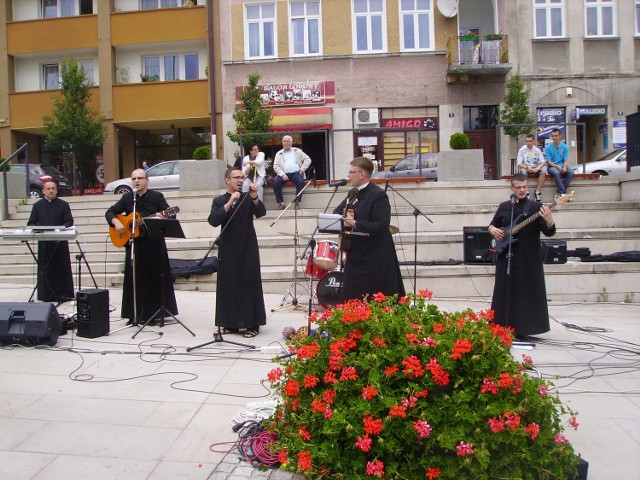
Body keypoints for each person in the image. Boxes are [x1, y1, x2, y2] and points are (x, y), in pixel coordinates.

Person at [105, 168, 178, 326]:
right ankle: (134, 314)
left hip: (153, 244)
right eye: (133, 179)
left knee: (153, 278)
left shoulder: (157, 197)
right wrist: (117, 222)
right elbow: (110, 212)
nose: (136, 181)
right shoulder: (128, 198)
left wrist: (164, 215)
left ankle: (152, 314)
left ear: (147, 180)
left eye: (140, 178)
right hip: (134, 245)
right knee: (133, 278)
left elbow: (172, 214)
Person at [488, 173, 556, 340]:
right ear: (511, 188)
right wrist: (492, 230)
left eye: (525, 187)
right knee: (505, 290)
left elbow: (548, 231)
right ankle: (501, 326)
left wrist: (549, 220)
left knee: (527, 292)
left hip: (528, 258)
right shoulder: (505, 206)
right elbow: (492, 224)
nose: (522, 190)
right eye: (518, 187)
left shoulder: (534, 207)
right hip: (507, 256)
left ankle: (526, 327)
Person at [333, 157, 405, 302]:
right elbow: (336, 212)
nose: (348, 175)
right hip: (357, 252)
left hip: (375, 255)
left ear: (362, 174)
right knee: (353, 293)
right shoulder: (353, 193)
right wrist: (343, 217)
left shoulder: (378, 195)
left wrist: (355, 223)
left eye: (351, 172)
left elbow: (382, 225)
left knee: (374, 295)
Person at [208, 167, 267, 338]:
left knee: (249, 283)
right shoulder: (219, 200)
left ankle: (252, 324)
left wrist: (255, 197)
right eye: (236, 178)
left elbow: (261, 212)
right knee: (230, 284)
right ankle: (231, 324)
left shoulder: (248, 198)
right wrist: (229, 203)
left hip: (247, 246)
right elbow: (213, 220)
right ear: (227, 180)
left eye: (242, 178)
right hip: (228, 247)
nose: (240, 180)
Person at [27, 181, 74, 302]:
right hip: (44, 243)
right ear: (43, 191)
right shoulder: (37, 206)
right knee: (46, 268)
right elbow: (31, 223)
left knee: (61, 268)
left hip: (59, 242)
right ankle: (46, 295)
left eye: (53, 188)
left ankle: (63, 293)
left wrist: (61, 228)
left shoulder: (63, 205)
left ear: (56, 191)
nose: (51, 191)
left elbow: (69, 221)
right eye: (48, 189)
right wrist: (37, 230)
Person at [272, 135, 312, 210]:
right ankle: (281, 204)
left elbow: (308, 159)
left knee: (301, 182)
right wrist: (282, 174)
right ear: (282, 142)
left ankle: (297, 202)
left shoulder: (297, 151)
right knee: (275, 183)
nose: (286, 143)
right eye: (284, 141)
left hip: (296, 173)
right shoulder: (279, 153)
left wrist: (302, 170)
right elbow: (275, 166)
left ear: (291, 143)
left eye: (288, 141)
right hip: (284, 173)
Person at [544, 128, 575, 201]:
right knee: (556, 172)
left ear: (560, 136)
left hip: (562, 165)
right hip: (552, 166)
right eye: (553, 136)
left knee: (571, 172)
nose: (554, 138)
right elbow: (549, 161)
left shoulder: (565, 147)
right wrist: (557, 166)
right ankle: (563, 193)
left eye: (556, 136)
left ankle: (559, 192)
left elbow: (566, 160)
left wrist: (565, 166)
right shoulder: (548, 147)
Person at [516, 133, 546, 202]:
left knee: (544, 169)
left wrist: (538, 168)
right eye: (526, 141)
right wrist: (526, 167)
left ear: (533, 141)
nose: (528, 143)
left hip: (535, 167)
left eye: (529, 141)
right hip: (526, 167)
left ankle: (537, 192)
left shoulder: (537, 150)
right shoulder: (522, 150)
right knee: (523, 171)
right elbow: (519, 163)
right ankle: (526, 192)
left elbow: (543, 162)